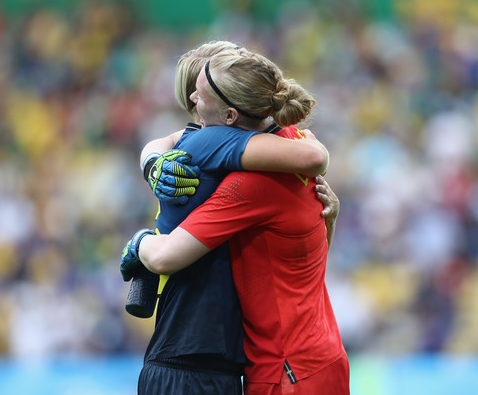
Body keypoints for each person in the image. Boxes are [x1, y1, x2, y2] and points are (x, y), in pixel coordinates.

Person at [122, 49, 349, 395]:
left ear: (230, 115)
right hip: (322, 358)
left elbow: (165, 256)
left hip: (280, 370)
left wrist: (140, 242)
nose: (194, 101)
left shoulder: (249, 182)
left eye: (200, 95)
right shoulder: (296, 139)